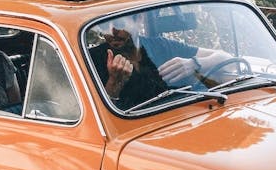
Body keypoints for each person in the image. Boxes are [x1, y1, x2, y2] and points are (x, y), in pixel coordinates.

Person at [90, 12, 232, 110]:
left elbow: (226, 58)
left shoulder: (160, 45)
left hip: (182, 116)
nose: (111, 32)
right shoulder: (92, 59)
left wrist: (194, 64)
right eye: (103, 26)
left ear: (139, 19)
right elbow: (98, 118)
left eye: (119, 23)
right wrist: (114, 83)